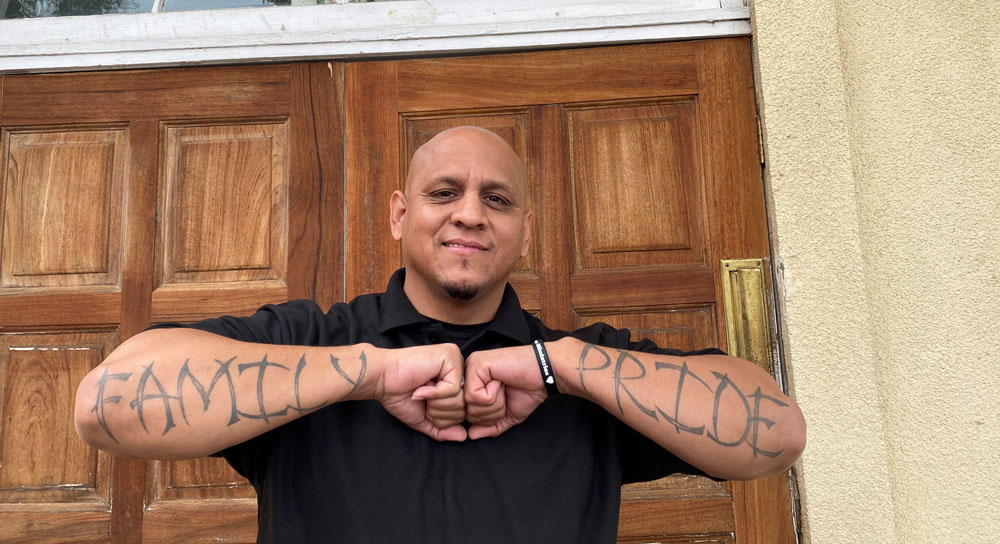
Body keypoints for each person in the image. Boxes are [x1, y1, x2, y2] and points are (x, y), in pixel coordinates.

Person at [75, 126, 806, 543]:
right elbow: (105, 406)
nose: (470, 214)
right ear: (400, 215)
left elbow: (776, 432)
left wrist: (562, 366)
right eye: (444, 192)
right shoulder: (310, 343)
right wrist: (366, 374)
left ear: (525, 230)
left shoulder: (588, 368)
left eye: (497, 199)